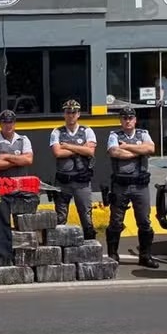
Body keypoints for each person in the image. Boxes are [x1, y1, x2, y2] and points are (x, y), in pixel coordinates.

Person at [105, 107, 159, 269]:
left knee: (144, 221)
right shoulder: (114, 135)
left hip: (140, 186)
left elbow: (151, 149)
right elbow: (115, 152)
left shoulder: (143, 134)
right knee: (116, 222)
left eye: (130, 118)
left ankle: (145, 256)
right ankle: (113, 255)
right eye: (124, 118)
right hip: (120, 186)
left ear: (135, 120)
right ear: (121, 120)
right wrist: (138, 151)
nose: (127, 121)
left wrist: (127, 146)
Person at [50, 99, 97, 240]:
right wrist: (80, 148)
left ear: (78, 114)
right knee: (60, 217)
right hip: (63, 182)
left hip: (82, 182)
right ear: (64, 114)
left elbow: (90, 152)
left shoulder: (87, 131)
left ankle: (90, 243)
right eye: (68, 112)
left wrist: (67, 146)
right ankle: (59, 245)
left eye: (74, 112)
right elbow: (58, 153)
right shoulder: (57, 132)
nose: (71, 115)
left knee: (86, 216)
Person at [0, 109, 33, 177]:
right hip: (1, 182)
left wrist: (5, 156)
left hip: (21, 182)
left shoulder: (24, 140)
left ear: (14, 123)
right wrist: (19, 161)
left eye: (10, 122)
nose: (8, 125)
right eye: (5, 122)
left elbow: (28, 160)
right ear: (0, 124)